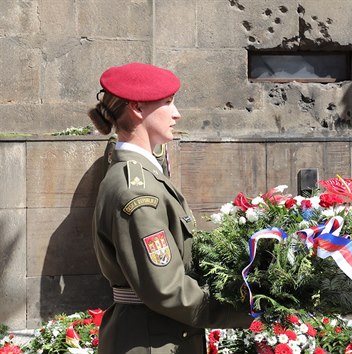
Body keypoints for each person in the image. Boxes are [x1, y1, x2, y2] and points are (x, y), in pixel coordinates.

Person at [88, 62, 251, 354]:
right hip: (152, 339)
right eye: (167, 103)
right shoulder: (136, 191)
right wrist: (247, 307)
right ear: (137, 108)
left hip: (157, 333)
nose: (177, 114)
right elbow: (167, 289)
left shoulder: (143, 177)